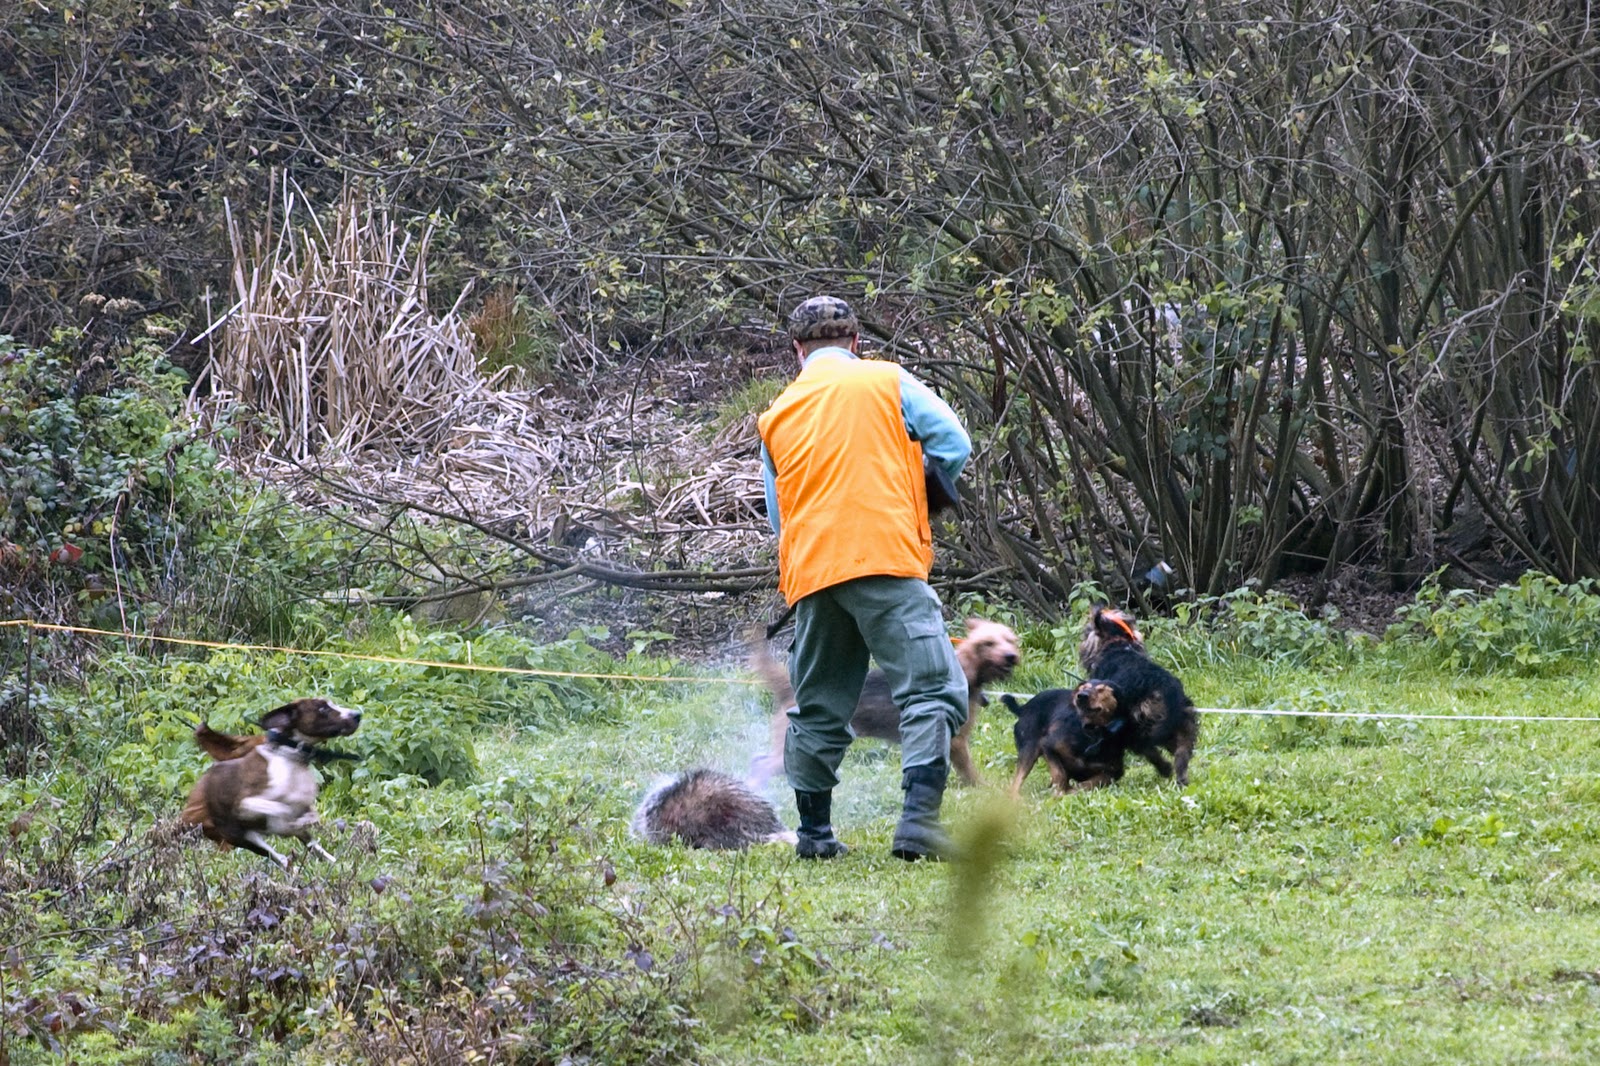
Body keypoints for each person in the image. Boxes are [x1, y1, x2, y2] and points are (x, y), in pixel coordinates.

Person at [757, 295, 972, 861]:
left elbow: (780, 519)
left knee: (817, 705)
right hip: (885, 560)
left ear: (797, 350)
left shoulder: (776, 414)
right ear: (856, 342)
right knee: (932, 689)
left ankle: (815, 835)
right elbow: (955, 444)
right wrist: (920, 491)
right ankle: (919, 824)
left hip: (814, 573)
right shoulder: (887, 380)